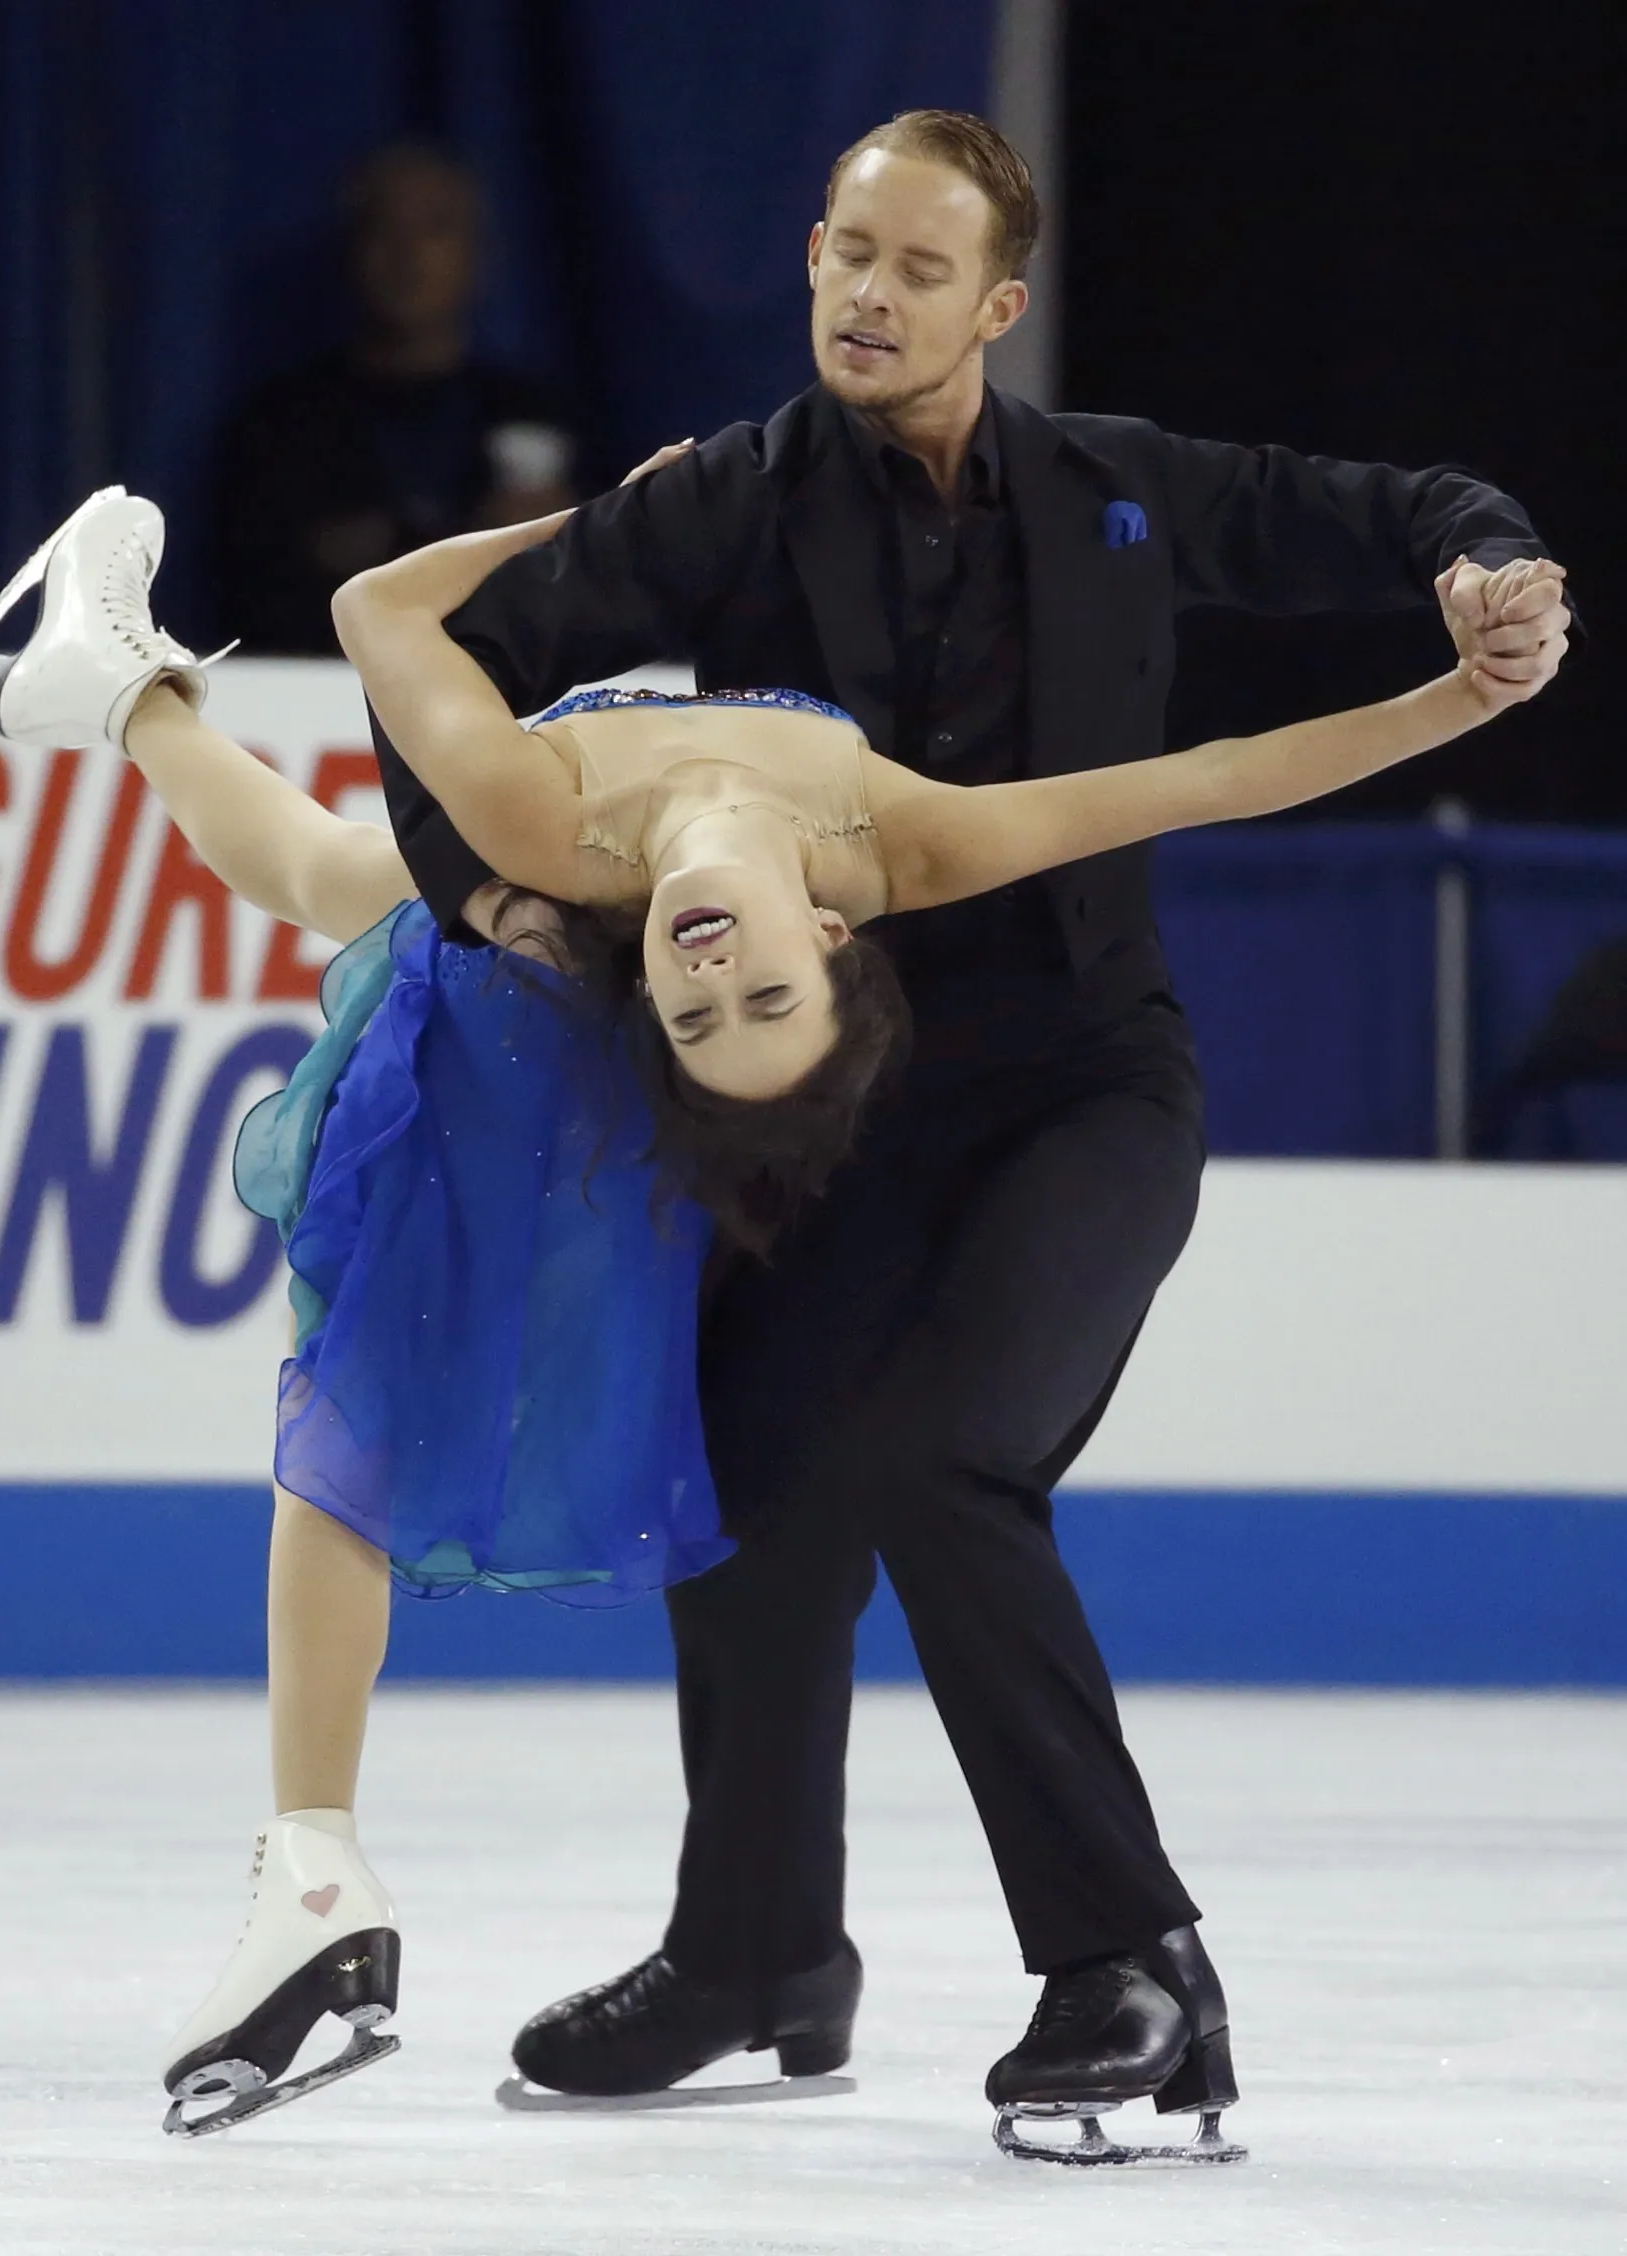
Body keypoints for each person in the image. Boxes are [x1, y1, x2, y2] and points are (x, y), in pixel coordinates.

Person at [0, 477, 1549, 2141]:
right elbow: (1204, 776)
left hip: (518, 1016)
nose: (709, 980)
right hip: (517, 900)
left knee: (365, 1396)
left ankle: (312, 1867)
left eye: (702, 1018)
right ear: (832, 936)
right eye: (758, 992)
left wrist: (598, 525)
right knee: (324, 870)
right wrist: (1456, 698)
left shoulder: (554, 848)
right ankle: (112, 689)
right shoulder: (904, 838)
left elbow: (377, 612)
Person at [367, 109, 1572, 2160]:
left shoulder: (1117, 488)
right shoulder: (726, 500)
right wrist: (488, 896)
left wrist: (1482, 564)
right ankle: (754, 1953)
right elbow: (446, 670)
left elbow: (1382, 511)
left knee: (941, 1459)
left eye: (916, 270)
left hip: (1087, 1081)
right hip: (838, 1101)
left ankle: (1126, 1963)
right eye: (846, 252)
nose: (866, 294)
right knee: (746, 1472)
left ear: (994, 304)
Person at [209, 144, 576, 656]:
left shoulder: (534, 412)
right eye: (383, 228)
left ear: (480, 254)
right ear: (349, 250)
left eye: (434, 228)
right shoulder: (283, 421)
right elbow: (256, 587)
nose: (408, 254)